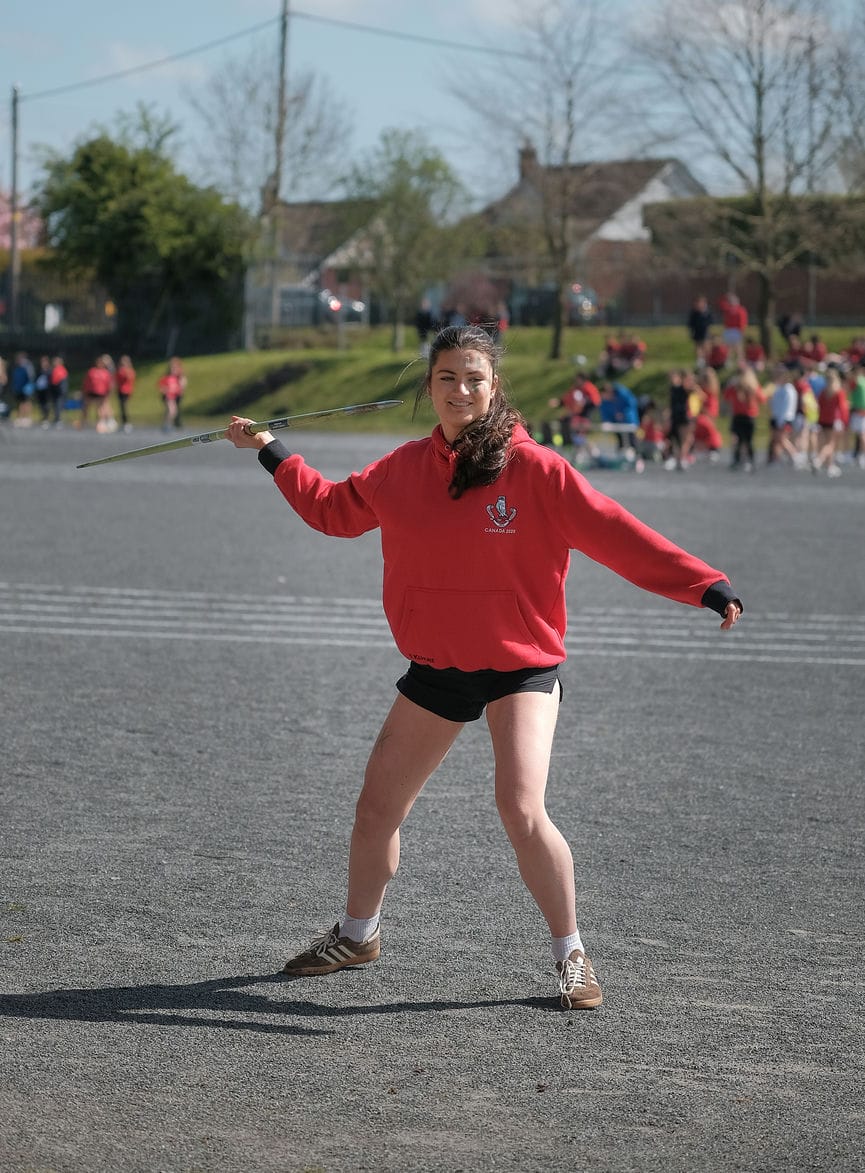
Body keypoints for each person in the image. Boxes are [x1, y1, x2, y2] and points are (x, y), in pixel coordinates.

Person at [225, 324, 743, 1011]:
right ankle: (357, 934)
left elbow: (618, 534)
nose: (460, 390)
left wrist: (703, 584)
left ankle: (572, 954)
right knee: (376, 808)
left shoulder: (538, 470)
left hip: (519, 667)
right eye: (447, 377)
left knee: (520, 807)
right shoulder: (401, 469)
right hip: (439, 665)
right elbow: (330, 510)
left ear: (494, 386)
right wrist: (270, 449)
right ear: (429, 386)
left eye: (474, 378)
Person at [723, 365, 766, 472]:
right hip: (748, 416)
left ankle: (739, 460)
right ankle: (748, 460)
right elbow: (762, 399)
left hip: (741, 416)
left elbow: (726, 397)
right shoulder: (752, 385)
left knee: (740, 440)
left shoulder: (738, 386)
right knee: (746, 440)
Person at [80, 355, 113, 431]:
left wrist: (108, 393)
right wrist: (84, 391)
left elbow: (108, 384)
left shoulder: (105, 372)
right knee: (86, 407)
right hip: (91, 392)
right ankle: (83, 422)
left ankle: (100, 423)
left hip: (101, 393)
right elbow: (86, 382)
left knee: (100, 408)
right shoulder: (92, 371)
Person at [159, 356, 187, 431]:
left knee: (173, 411)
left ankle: (168, 424)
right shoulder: (167, 377)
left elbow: (181, 386)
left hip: (175, 396)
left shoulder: (178, 377)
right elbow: (162, 387)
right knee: (172, 411)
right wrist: (166, 390)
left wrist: (180, 389)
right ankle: (167, 425)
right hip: (169, 397)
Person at [10, 351, 35, 427]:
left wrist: (29, 387)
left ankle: (27, 418)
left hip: (26, 388)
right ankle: (20, 418)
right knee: (20, 403)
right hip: (18, 388)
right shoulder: (17, 367)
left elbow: (31, 378)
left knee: (26, 402)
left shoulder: (28, 367)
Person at [686, 295, 713, 363]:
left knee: (706, 346)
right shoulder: (694, 313)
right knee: (698, 347)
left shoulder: (707, 312)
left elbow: (710, 322)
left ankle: (707, 360)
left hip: (705, 332)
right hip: (697, 332)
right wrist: (691, 331)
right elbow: (690, 323)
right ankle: (700, 361)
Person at [116, 355, 136, 432]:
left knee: (124, 407)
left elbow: (129, 378)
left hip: (126, 391)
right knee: (122, 407)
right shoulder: (120, 370)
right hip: (120, 390)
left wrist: (125, 370)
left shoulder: (129, 370)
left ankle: (126, 423)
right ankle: (123, 423)